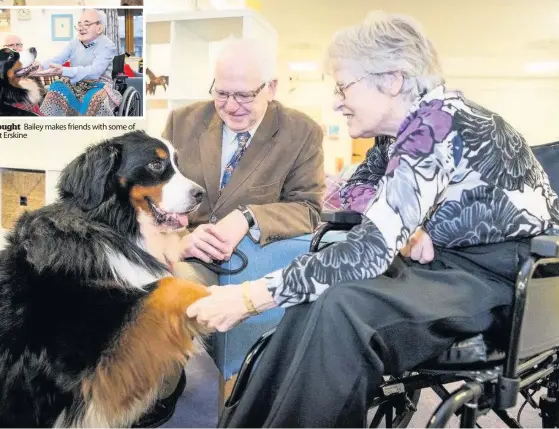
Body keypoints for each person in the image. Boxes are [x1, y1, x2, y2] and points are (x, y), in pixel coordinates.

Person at [182, 11, 559, 427]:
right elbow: (348, 193)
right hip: (448, 267)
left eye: (344, 86)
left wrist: (247, 298)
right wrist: (406, 220)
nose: (336, 100)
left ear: (393, 79)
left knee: (345, 307)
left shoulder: (437, 120)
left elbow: (369, 252)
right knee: (318, 294)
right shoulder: (395, 137)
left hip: (501, 279)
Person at [134, 38, 326, 428]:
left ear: (271, 88)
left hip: (256, 257)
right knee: (159, 300)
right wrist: (180, 240)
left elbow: (308, 208)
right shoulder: (182, 121)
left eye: (244, 95)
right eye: (222, 93)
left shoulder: (302, 132)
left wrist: (248, 217)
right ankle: (162, 391)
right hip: (192, 254)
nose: (231, 105)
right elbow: (156, 199)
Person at [32, 9, 121, 116]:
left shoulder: (107, 45)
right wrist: (40, 65)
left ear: (99, 28)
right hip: (74, 83)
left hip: (98, 85)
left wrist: (63, 70)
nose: (81, 28)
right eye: (79, 24)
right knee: (56, 87)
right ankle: (49, 124)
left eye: (87, 24)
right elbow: (59, 58)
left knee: (95, 100)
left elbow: (95, 72)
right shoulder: (74, 43)